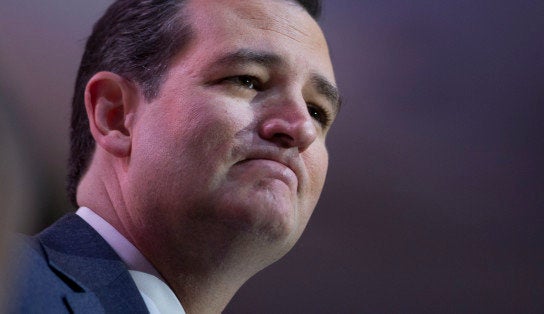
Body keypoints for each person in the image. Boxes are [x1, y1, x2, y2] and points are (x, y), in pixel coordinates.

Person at [10, 0, 340, 312]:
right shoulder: (11, 285)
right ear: (116, 115)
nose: (302, 129)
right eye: (249, 80)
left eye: (317, 111)